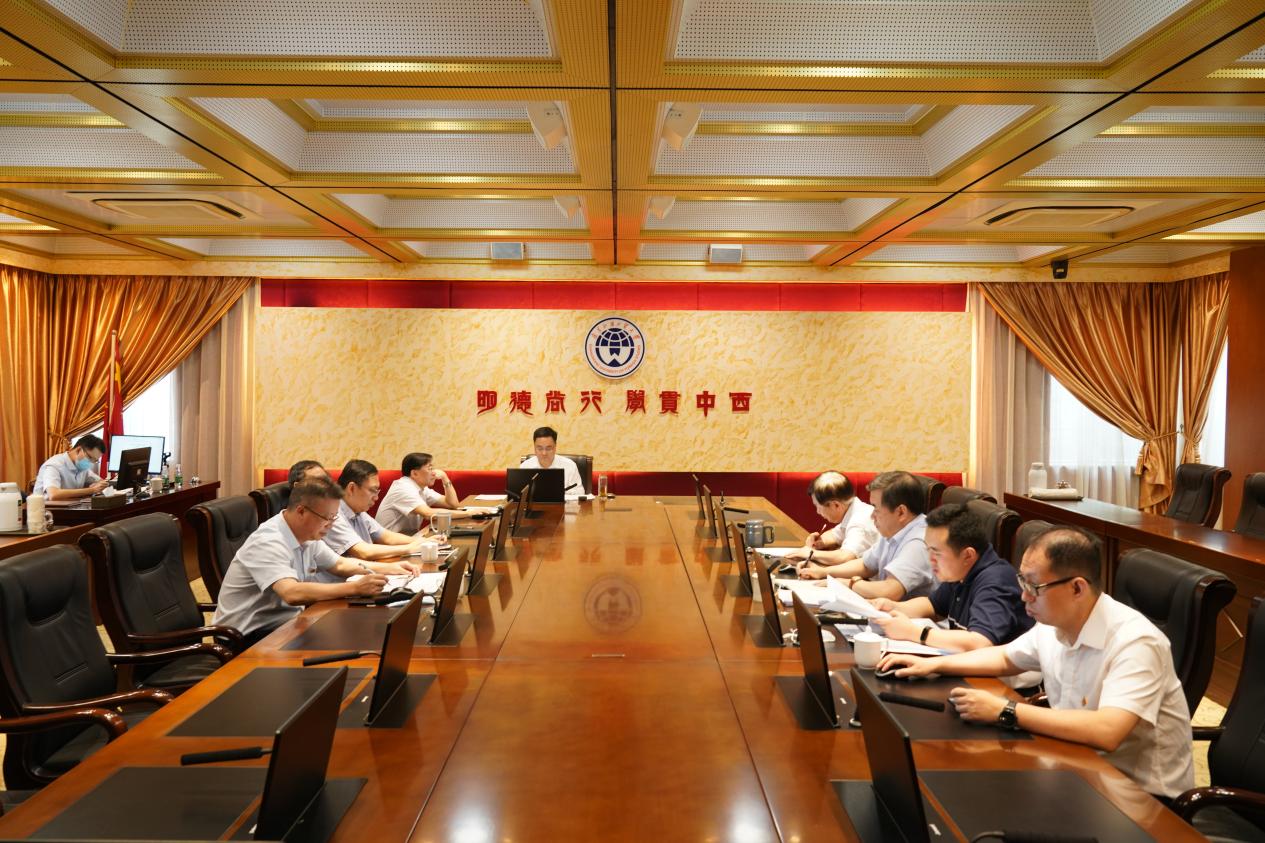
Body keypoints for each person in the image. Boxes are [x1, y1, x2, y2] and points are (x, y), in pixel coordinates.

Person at [877, 526, 1194, 800]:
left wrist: (1006, 710)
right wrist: (934, 664)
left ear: (1077, 587)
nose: (1024, 596)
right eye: (1022, 583)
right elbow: (1004, 657)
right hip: (1075, 764)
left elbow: (1107, 731)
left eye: (1034, 587)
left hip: (1139, 795)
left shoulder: (1136, 641)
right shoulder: (1054, 624)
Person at [212, 476, 419, 646]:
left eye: (334, 517)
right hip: (247, 638)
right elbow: (291, 593)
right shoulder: (269, 541)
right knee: (349, 640)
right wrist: (354, 588)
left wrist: (390, 568)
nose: (330, 525)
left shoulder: (307, 534)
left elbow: (340, 565)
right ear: (301, 511)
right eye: (327, 517)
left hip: (286, 624)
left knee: (363, 633)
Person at [869, 503, 1032, 651]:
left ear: (968, 555)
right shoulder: (960, 570)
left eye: (936, 553)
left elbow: (980, 642)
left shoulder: (996, 581)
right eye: (928, 550)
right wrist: (893, 607)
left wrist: (914, 632)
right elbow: (932, 606)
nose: (930, 559)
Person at [799, 470, 934, 601]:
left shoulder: (918, 541)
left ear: (901, 512)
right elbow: (866, 565)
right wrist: (822, 572)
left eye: (876, 508)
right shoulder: (895, 529)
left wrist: (849, 584)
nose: (872, 515)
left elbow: (889, 591)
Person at [323, 459, 435, 561]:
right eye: (372, 490)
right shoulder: (333, 514)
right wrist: (409, 548)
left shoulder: (358, 511)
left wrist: (424, 542)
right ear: (352, 488)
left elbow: (387, 537)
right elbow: (363, 552)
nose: (376, 498)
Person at [376, 452, 494, 534]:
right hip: (388, 545)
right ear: (414, 473)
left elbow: (453, 504)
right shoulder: (403, 489)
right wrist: (469, 513)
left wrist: (445, 478)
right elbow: (429, 514)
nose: (434, 473)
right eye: (429, 468)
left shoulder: (421, 488)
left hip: (407, 539)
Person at [782, 471, 878, 567]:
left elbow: (845, 558)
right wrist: (820, 542)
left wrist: (811, 553)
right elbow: (835, 534)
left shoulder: (859, 522)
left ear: (836, 505)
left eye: (818, 506)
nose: (818, 512)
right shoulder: (854, 509)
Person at [32, 434, 110, 500]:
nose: (91, 463)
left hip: (69, 509)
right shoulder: (54, 465)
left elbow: (101, 482)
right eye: (90, 457)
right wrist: (91, 490)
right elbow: (53, 494)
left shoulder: (82, 467)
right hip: (46, 511)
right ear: (78, 450)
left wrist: (100, 485)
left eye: (95, 461)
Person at [517, 426, 584, 494]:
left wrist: (563, 494)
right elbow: (519, 493)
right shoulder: (525, 466)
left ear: (555, 447)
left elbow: (580, 492)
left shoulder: (570, 465)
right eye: (540, 448)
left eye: (548, 448)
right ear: (534, 447)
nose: (544, 453)